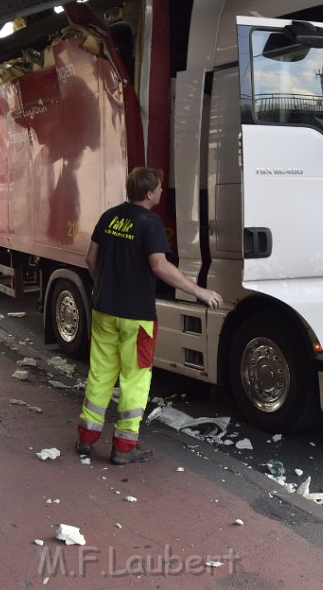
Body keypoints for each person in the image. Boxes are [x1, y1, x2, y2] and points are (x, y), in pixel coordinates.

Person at [76, 167, 223, 465]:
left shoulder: (109, 216)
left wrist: (106, 287)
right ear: (148, 193)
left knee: (100, 374)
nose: (160, 192)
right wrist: (199, 291)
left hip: (104, 309)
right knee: (134, 380)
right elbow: (159, 265)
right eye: (158, 188)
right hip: (136, 317)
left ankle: (87, 439)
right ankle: (124, 448)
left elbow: (91, 259)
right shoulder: (150, 222)